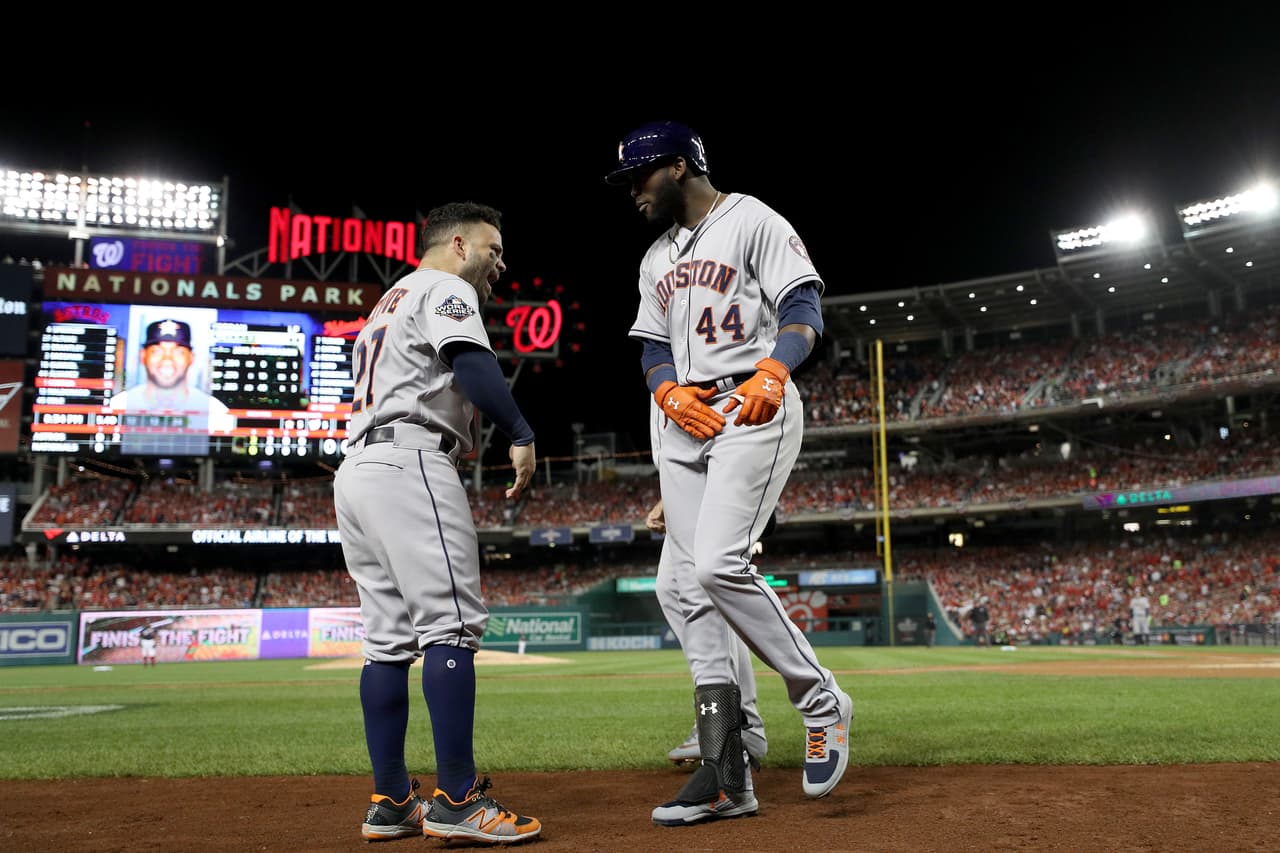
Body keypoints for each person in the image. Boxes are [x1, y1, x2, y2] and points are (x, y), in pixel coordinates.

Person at [608, 120, 853, 826]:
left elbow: (803, 307)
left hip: (751, 401)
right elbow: (652, 345)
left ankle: (819, 698)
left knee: (717, 564)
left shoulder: (752, 219)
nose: (632, 191)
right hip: (682, 416)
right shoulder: (656, 258)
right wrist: (665, 391)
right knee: (683, 584)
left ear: (680, 167)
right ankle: (727, 765)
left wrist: (777, 368)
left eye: (639, 175)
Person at [333, 202, 541, 845]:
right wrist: (521, 431)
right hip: (411, 462)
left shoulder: (386, 301)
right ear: (458, 243)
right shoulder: (446, 287)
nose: (500, 262)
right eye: (493, 248)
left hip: (359, 472)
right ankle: (456, 797)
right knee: (450, 627)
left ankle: (392, 798)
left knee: (388, 642)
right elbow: (471, 365)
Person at [108, 318, 233, 453]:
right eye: (157, 351)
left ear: (191, 357)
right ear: (142, 356)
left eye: (178, 352)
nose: (167, 360)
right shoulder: (117, 406)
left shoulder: (216, 411)